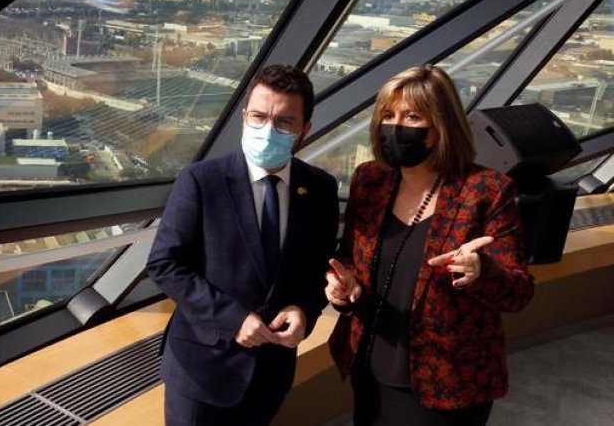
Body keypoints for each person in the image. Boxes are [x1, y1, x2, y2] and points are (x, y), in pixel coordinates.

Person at [326, 65, 534, 426]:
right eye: (388, 115)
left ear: (440, 126)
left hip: (448, 384)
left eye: (411, 116)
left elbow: (519, 292)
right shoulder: (370, 180)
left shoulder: (487, 191)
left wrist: (480, 272)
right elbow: (350, 257)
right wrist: (344, 288)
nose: (395, 126)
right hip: (371, 367)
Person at [147, 64, 340, 425]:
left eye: (284, 122)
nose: (268, 130)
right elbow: (164, 264)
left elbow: (318, 269)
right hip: (200, 372)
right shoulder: (201, 181)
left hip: (271, 372)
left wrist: (303, 309)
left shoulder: (320, 189)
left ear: (304, 131)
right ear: (243, 118)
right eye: (258, 116)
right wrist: (233, 318)